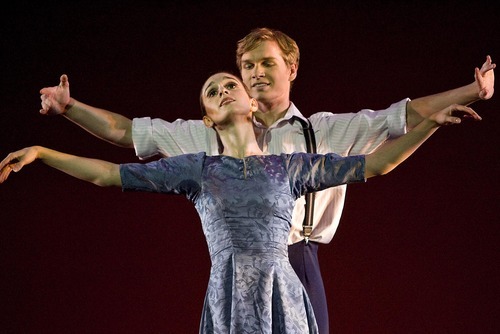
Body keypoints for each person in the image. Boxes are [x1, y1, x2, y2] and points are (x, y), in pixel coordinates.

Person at [37, 28, 495, 333]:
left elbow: (402, 120)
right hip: (231, 267)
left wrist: (469, 92)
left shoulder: (324, 131)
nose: (254, 73)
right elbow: (125, 135)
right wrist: (68, 110)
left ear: (291, 68)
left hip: (299, 256)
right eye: (246, 67)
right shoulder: (200, 144)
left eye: (266, 64)